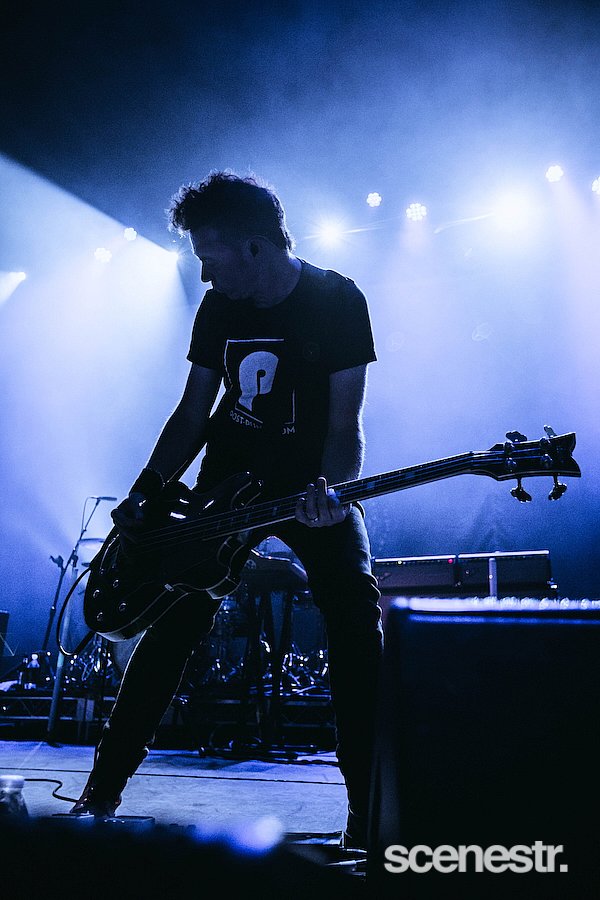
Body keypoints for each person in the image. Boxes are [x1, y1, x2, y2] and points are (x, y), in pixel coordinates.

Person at [71, 171, 384, 851]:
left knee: (356, 620)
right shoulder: (219, 308)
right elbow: (193, 413)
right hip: (224, 489)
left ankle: (368, 813)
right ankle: (99, 796)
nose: (204, 274)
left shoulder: (337, 299)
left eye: (209, 256)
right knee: (171, 626)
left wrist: (334, 494)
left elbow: (345, 425)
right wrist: (148, 489)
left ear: (253, 246)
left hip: (310, 488)